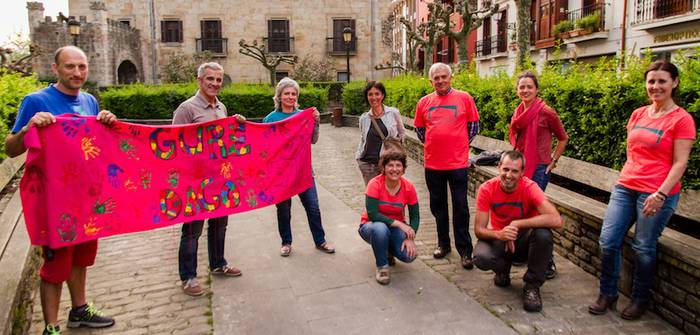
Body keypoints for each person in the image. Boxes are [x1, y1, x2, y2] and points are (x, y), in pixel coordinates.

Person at [5, 46, 116, 335]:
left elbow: (94, 146)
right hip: (55, 203)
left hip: (86, 200)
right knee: (55, 268)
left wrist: (106, 123)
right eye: (70, 67)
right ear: (55, 69)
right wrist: (29, 126)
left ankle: (79, 310)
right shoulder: (36, 101)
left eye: (82, 66)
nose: (77, 73)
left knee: (81, 259)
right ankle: (50, 327)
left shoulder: (90, 101)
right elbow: (11, 148)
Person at [588, 60, 696, 320]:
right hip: (626, 187)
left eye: (662, 81)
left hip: (657, 192)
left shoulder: (682, 120)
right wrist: (629, 175)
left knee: (643, 247)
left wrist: (659, 194)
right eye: (651, 81)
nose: (655, 86)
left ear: (675, 83)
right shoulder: (638, 114)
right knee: (608, 241)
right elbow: (632, 151)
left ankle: (640, 299)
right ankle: (608, 293)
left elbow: (680, 162)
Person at [174, 62, 246, 297]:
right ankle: (188, 277)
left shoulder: (221, 107)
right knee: (193, 230)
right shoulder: (187, 109)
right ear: (199, 80)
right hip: (195, 181)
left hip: (219, 178)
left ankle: (218, 263)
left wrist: (237, 126)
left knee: (219, 225)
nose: (215, 84)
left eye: (218, 80)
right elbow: (175, 144)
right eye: (210, 79)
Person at [473, 150, 563, 312]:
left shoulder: (530, 187)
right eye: (506, 169)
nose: (509, 175)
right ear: (499, 167)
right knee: (481, 257)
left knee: (543, 234)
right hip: (500, 239)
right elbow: (479, 230)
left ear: (522, 172)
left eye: (515, 171)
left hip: (523, 242)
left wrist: (517, 224)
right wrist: (500, 234)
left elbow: (556, 219)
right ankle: (502, 270)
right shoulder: (487, 189)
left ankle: (532, 287)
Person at [413, 62, 480, 269]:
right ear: (431, 81)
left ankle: (465, 251)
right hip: (433, 165)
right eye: (436, 78)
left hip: (457, 164)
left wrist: (459, 145)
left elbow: (474, 126)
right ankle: (443, 244)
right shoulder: (424, 102)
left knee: (461, 207)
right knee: (438, 208)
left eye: (444, 77)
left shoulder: (464, 98)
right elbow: (420, 130)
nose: (440, 80)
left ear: (450, 78)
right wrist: (436, 144)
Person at [262, 77, 335, 257]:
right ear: (279, 96)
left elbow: (313, 140)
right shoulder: (271, 119)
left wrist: (316, 122)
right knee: (284, 210)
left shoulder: (304, 116)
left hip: (303, 171)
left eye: (294, 93)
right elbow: (264, 146)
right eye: (286, 93)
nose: (290, 97)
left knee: (313, 207)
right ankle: (286, 242)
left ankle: (320, 241)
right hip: (281, 173)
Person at [509, 71, 569, 280]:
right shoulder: (518, 112)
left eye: (529, 87)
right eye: (522, 87)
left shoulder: (546, 112)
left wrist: (554, 160)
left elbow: (562, 138)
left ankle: (547, 261)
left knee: (536, 213)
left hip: (539, 169)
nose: (525, 90)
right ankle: (523, 252)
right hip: (521, 167)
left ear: (537, 89)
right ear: (517, 90)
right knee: (522, 211)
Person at [358, 151, 419, 285]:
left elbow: (415, 216)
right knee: (380, 229)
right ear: (383, 168)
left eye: (398, 165)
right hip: (371, 225)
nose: (394, 169)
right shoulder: (375, 184)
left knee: (409, 256)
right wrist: (399, 223)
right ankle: (382, 267)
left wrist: (410, 238)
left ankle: (386, 249)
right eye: (390, 165)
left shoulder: (408, 187)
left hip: (394, 228)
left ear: (403, 169)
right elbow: (373, 214)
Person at [355, 81, 406, 185]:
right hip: (368, 164)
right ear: (367, 97)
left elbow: (402, 133)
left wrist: (395, 152)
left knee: (390, 193)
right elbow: (363, 139)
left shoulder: (393, 113)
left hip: (388, 164)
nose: (374, 97)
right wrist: (359, 158)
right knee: (373, 196)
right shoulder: (364, 118)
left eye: (377, 94)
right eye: (370, 94)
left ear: (382, 95)